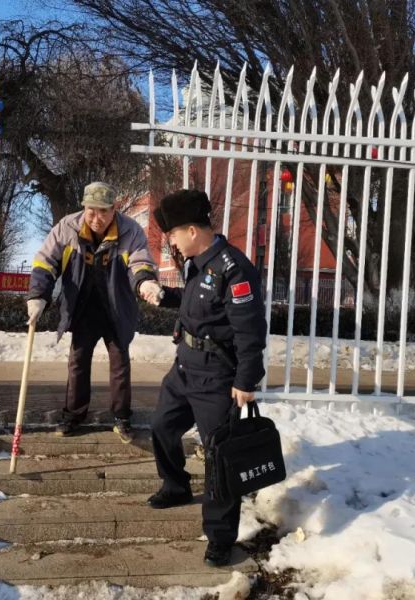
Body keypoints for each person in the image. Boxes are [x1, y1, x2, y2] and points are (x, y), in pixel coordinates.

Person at [139, 188, 267, 567]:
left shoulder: (234, 268)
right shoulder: (197, 262)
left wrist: (246, 380)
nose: (172, 242)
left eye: (174, 234)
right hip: (185, 367)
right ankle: (176, 485)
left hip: (216, 376)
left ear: (192, 231)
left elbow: (249, 330)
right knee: (162, 426)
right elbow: (199, 302)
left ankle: (220, 536)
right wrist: (167, 297)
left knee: (218, 456)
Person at [26, 181, 159, 443]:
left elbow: (140, 261)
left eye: (103, 211)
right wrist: (38, 296)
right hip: (83, 307)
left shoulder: (130, 230)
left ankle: (122, 417)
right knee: (77, 361)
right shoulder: (67, 227)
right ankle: (74, 415)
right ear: (84, 208)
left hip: (116, 309)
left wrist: (145, 282)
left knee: (120, 363)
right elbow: (45, 261)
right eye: (91, 211)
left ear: (114, 209)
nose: (97, 218)